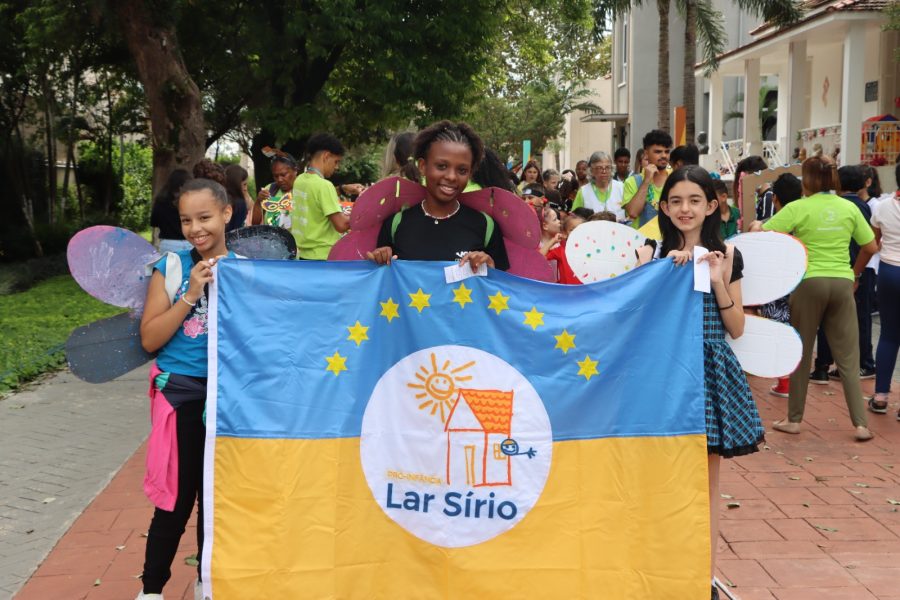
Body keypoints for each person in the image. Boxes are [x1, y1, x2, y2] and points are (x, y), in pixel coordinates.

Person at [639, 165, 764, 600]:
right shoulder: (651, 253)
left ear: (712, 205)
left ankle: (704, 579)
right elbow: (638, 324)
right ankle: (662, 570)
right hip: (663, 375)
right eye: (675, 200)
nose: (685, 209)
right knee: (660, 479)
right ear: (663, 206)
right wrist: (647, 276)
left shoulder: (727, 255)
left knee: (707, 486)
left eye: (694, 200)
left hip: (708, 374)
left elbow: (737, 327)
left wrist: (717, 281)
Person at [136, 179, 236, 600]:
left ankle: (205, 585)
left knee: (216, 502)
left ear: (227, 214)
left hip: (231, 398)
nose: (196, 228)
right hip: (181, 394)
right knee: (175, 501)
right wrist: (192, 293)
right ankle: (152, 590)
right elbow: (149, 338)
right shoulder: (171, 268)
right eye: (186, 220)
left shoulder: (249, 268)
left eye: (205, 217)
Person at [750, 157, 877, 442]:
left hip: (808, 283)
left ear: (807, 180)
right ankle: (860, 424)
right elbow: (870, 246)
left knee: (802, 350)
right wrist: (854, 275)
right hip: (842, 283)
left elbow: (762, 233)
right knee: (848, 355)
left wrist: (755, 223)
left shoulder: (798, 207)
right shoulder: (848, 207)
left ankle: (794, 419)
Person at [367, 120, 509, 272]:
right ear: (422, 166)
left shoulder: (486, 226)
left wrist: (490, 268)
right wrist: (380, 260)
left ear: (470, 173)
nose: (452, 177)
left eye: (462, 170)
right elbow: (382, 284)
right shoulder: (395, 224)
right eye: (441, 166)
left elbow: (501, 288)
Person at [812, 165, 877, 382]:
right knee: (858, 319)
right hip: (861, 268)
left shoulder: (839, 205)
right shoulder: (862, 206)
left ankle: (823, 364)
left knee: (828, 319)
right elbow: (869, 244)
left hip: (840, 269)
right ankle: (860, 364)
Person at [761, 173, 803, 398]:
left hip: (776, 286)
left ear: (775, 199)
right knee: (798, 330)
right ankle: (796, 379)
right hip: (800, 282)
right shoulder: (805, 216)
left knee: (779, 331)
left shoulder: (773, 224)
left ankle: (784, 382)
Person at [868, 163, 900, 417]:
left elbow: (874, 241)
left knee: (889, 335)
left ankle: (880, 396)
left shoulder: (883, 206)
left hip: (889, 272)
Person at [291, 133, 350, 260]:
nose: (337, 167)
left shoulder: (299, 180)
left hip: (302, 256)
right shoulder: (324, 186)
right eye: (336, 161)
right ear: (326, 156)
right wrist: (363, 214)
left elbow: (316, 199)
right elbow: (342, 225)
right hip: (323, 257)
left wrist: (343, 189)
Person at [623, 129, 673, 228]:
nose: (664, 155)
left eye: (667, 152)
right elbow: (633, 213)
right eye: (658, 152)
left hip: (670, 240)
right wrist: (646, 180)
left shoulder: (676, 178)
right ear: (646, 153)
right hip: (641, 241)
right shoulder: (632, 181)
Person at [572, 151, 626, 222]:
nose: (604, 171)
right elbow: (574, 218)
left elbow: (630, 214)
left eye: (607, 167)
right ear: (591, 170)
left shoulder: (621, 187)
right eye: (599, 168)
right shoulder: (584, 191)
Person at [252, 153, 299, 229]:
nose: (279, 180)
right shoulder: (270, 189)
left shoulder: (303, 191)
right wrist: (258, 201)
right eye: (276, 176)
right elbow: (255, 223)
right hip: (273, 239)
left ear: (295, 170)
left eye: (283, 175)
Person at [151, 169, 193, 253]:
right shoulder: (190, 200)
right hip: (189, 242)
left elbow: (154, 222)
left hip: (168, 243)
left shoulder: (161, 200)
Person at [546, 214, 585, 284]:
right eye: (572, 229)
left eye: (580, 229)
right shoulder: (561, 250)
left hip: (586, 292)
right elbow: (539, 257)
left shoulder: (590, 249)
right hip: (566, 293)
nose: (577, 232)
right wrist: (553, 241)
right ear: (564, 233)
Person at [223, 164, 252, 231]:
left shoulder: (221, 198)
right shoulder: (240, 204)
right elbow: (238, 230)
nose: (246, 188)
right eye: (244, 184)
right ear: (236, 184)